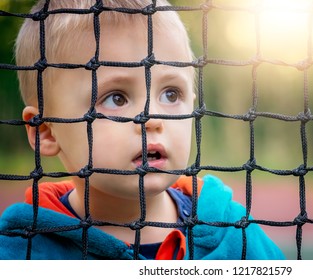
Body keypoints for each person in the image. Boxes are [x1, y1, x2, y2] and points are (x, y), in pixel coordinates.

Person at [0, 0, 285, 260]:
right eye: (116, 98)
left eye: (171, 95)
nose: (153, 119)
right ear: (46, 131)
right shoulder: (23, 251)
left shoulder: (233, 232)